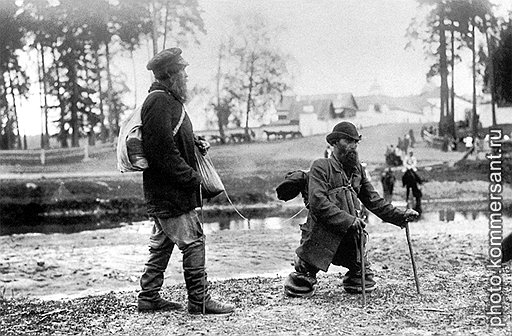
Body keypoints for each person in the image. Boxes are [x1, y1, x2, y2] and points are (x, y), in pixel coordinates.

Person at [137, 47, 234, 314]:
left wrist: (193, 142)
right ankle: (199, 300)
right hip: (172, 192)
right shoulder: (159, 102)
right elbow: (162, 153)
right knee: (193, 240)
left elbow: (170, 142)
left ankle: (148, 297)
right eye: (183, 71)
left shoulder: (167, 100)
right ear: (169, 74)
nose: (186, 76)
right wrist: (194, 179)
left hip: (165, 192)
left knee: (162, 242)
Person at [283, 121, 419, 297]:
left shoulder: (358, 171)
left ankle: (355, 271)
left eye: (356, 142)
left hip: (350, 236)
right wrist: (348, 220)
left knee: (363, 279)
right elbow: (318, 203)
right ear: (334, 144)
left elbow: (374, 201)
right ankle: (304, 267)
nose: (353, 146)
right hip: (321, 235)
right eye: (348, 141)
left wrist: (400, 216)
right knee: (301, 282)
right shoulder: (321, 167)